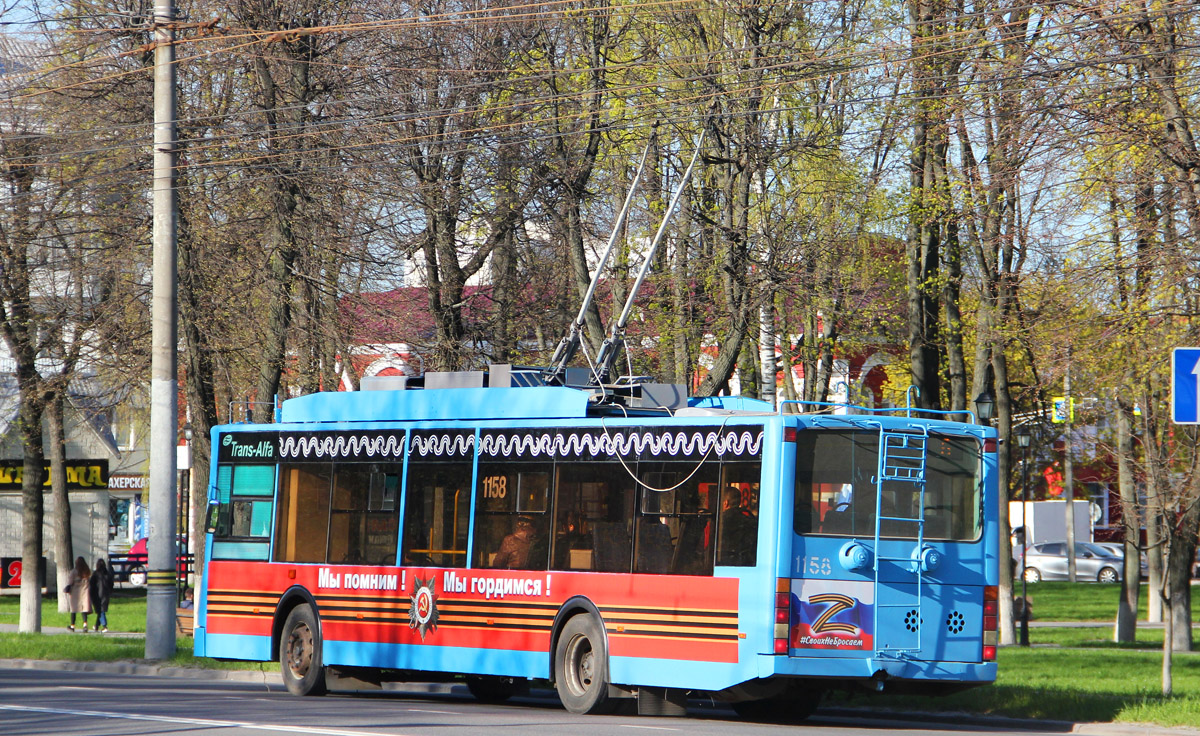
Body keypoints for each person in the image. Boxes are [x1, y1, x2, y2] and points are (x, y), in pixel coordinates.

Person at [64, 556, 92, 632]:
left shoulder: (74, 572)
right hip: (85, 592)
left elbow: (70, 582)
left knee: (74, 609)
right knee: (84, 609)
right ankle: (85, 625)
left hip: (75, 593)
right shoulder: (87, 571)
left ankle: (72, 626)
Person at [88, 557, 114, 633]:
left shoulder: (95, 574)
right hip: (106, 594)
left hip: (97, 594)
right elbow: (111, 584)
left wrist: (91, 594)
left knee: (100, 611)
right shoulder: (108, 574)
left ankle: (104, 625)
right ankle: (96, 625)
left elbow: (92, 585)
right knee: (101, 610)